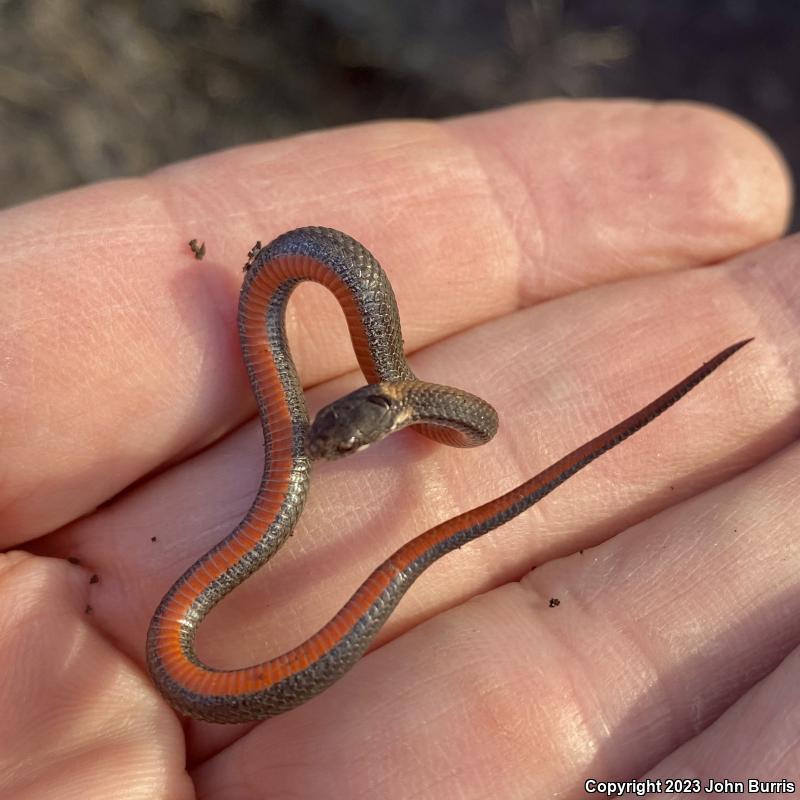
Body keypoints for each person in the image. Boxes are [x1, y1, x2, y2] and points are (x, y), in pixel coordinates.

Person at [0, 99, 795, 798]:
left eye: (342, 446)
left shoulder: (423, 403)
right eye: (331, 443)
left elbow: (471, 425)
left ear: (384, 417)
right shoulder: (367, 388)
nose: (326, 455)